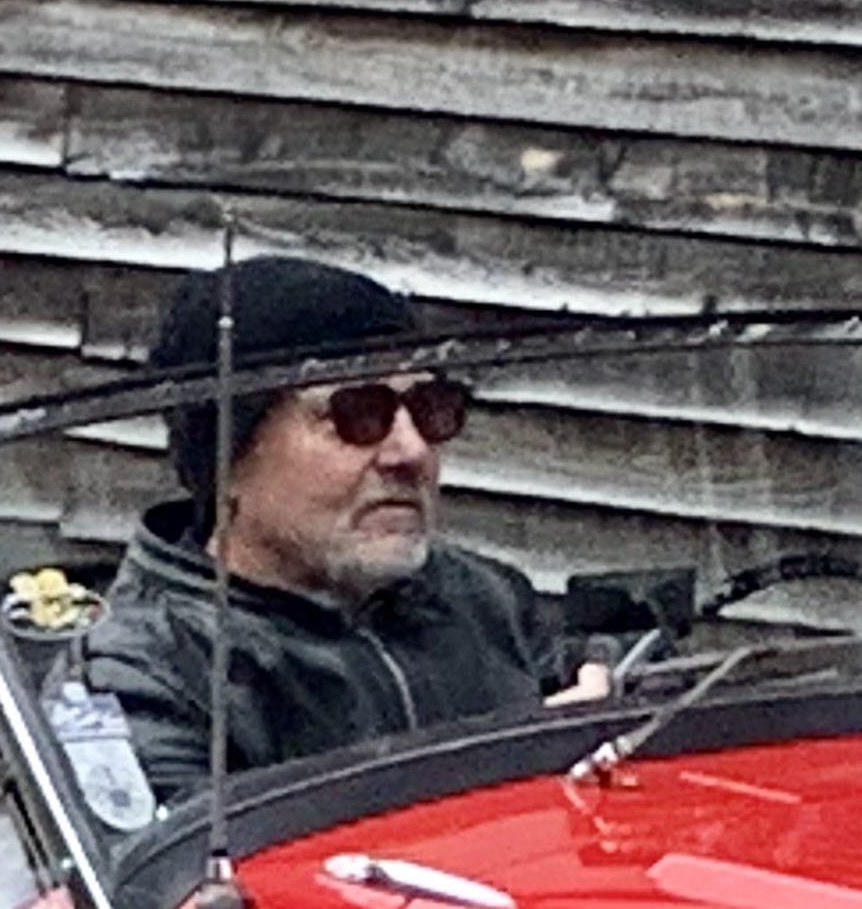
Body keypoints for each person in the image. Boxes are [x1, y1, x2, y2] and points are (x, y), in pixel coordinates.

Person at [79, 256, 600, 801]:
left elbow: (575, 685)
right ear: (227, 457)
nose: (411, 451)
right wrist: (514, 772)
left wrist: (604, 698)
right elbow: (197, 851)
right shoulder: (138, 675)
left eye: (431, 408)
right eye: (359, 415)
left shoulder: (485, 598)